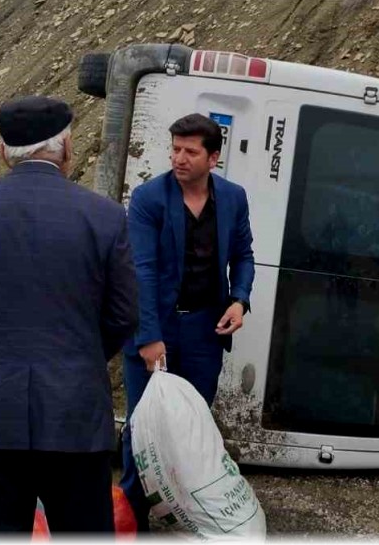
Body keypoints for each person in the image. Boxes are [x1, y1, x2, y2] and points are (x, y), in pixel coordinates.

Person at [0, 95, 137, 533]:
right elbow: (124, 313)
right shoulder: (105, 216)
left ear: (2, 152)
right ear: (67, 148)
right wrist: (81, 352)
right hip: (74, 411)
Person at [119, 113, 255, 531]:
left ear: (213, 157)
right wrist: (149, 338)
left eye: (190, 151)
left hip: (203, 331)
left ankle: (187, 513)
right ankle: (130, 519)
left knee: (191, 425)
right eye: (175, 148)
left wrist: (240, 300)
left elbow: (244, 255)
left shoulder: (232, 198)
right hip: (155, 327)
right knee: (142, 428)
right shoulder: (149, 198)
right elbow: (139, 269)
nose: (179, 158)